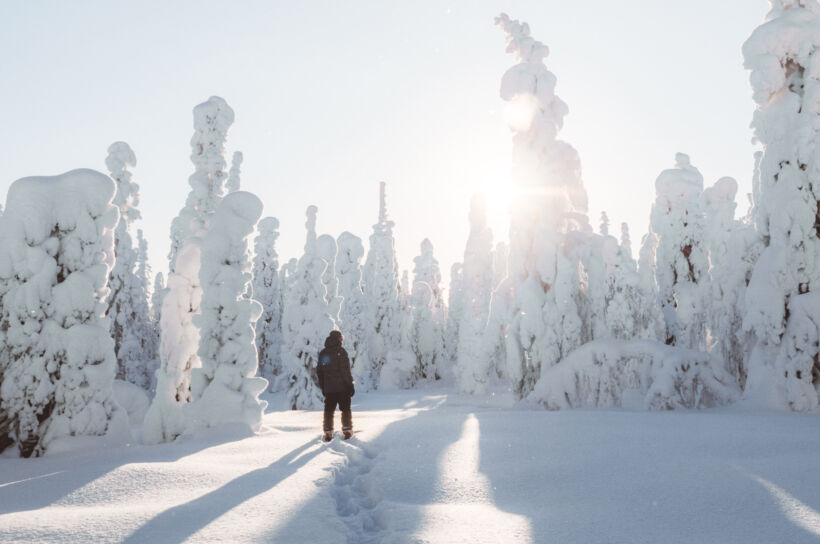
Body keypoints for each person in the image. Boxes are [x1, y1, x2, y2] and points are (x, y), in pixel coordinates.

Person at [317, 330, 355, 441]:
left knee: (329, 410)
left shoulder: (324, 353)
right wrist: (350, 385)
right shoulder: (341, 351)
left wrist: (323, 386)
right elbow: (345, 371)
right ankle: (347, 429)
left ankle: (328, 432)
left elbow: (320, 371)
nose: (341, 340)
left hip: (329, 388)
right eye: (341, 338)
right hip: (342, 387)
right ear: (338, 339)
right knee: (345, 409)